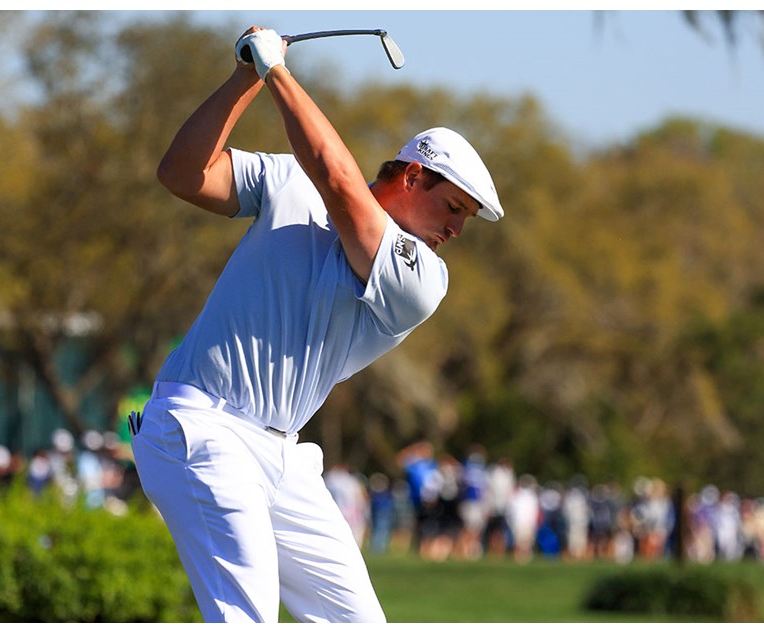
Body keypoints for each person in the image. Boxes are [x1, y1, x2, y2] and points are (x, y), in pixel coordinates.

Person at [129, 26, 504, 624]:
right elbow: (182, 173)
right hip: (202, 426)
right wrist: (244, 79)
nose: (456, 230)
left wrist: (276, 71)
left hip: (283, 455)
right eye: (454, 207)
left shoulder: (422, 278)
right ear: (412, 176)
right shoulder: (289, 181)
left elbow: (338, 180)